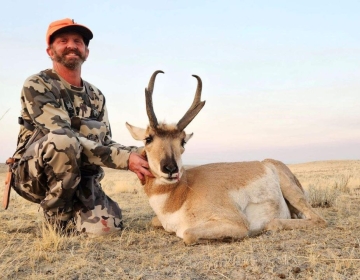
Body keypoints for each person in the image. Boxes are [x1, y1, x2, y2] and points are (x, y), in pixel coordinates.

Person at [9, 18, 152, 235]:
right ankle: (55, 219)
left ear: (86, 52)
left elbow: (105, 142)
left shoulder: (96, 95)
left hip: (82, 177)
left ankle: (76, 212)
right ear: (50, 51)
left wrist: (140, 153)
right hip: (34, 176)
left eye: (78, 41)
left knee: (108, 229)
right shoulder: (38, 85)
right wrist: (126, 160)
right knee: (63, 140)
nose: (71, 45)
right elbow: (63, 137)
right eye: (63, 40)